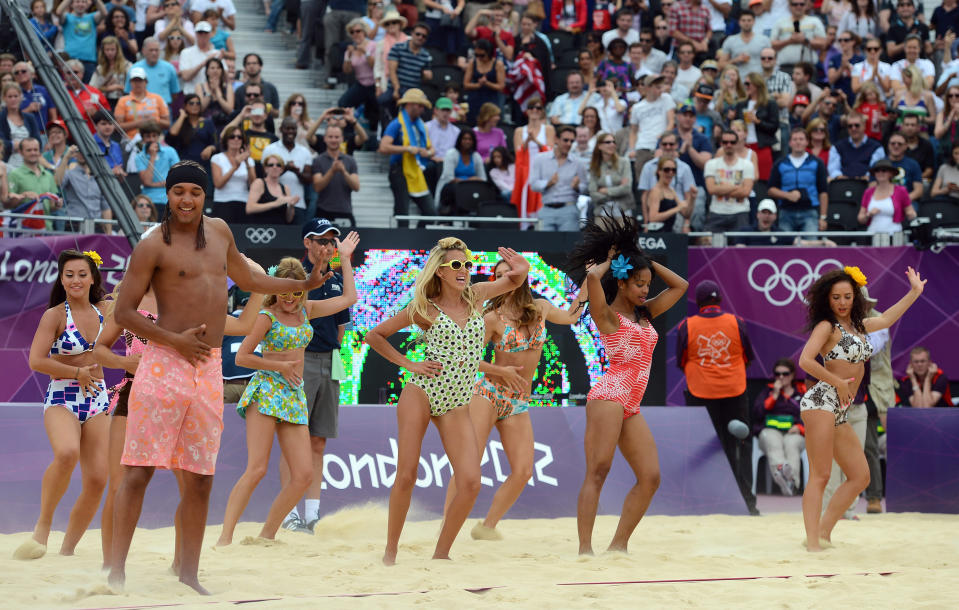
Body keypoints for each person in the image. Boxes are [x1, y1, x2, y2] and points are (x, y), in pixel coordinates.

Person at [107, 161, 332, 593]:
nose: (186, 199)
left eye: (194, 191)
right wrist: (174, 340)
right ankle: (115, 571)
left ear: (205, 196)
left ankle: (188, 573)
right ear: (167, 196)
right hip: (162, 363)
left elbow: (248, 277)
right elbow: (124, 312)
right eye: (178, 192)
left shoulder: (222, 232)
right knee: (138, 472)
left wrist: (304, 280)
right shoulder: (152, 245)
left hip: (208, 366)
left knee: (200, 477)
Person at [366, 239, 529, 564]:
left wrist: (521, 269)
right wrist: (408, 363)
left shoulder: (477, 296)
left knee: (470, 482)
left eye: (467, 265)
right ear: (440, 271)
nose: (464, 271)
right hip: (422, 392)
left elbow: (512, 280)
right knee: (407, 475)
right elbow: (374, 335)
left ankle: (441, 554)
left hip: (456, 399)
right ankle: (390, 551)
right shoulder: (425, 308)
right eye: (456, 265)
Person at [94, 274, 263, 570]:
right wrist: (124, 362)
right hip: (136, 391)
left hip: (184, 396)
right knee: (120, 484)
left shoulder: (190, 301)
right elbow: (100, 349)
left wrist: (259, 284)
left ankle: (179, 565)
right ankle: (111, 566)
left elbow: (244, 326)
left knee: (189, 485)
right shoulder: (130, 302)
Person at [218, 235, 359, 546]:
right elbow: (243, 357)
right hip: (267, 390)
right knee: (256, 468)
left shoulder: (308, 309)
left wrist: (345, 259)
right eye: (285, 291)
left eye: (297, 291)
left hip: (293, 394)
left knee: (303, 475)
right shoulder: (266, 316)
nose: (291, 298)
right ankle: (225, 538)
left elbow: (349, 299)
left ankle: (268, 534)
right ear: (276, 290)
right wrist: (280, 367)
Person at [444, 242, 588, 540]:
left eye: (508, 273)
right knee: (469, 464)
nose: (502, 279)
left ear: (521, 276)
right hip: (487, 394)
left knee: (523, 470)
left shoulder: (541, 309)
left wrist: (590, 280)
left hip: (518, 402)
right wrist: (499, 371)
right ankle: (448, 527)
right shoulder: (491, 318)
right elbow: (466, 359)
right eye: (497, 275)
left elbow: (574, 316)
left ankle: (487, 527)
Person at [568, 217, 687, 554]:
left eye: (647, 284)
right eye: (638, 283)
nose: (646, 290)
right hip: (608, 396)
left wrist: (645, 261)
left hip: (631, 403)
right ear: (621, 283)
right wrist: (612, 261)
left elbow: (681, 286)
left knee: (650, 477)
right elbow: (592, 277)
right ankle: (584, 550)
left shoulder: (645, 313)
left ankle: (618, 545)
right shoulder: (606, 316)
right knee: (598, 471)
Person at [798, 264, 926, 550]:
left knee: (860, 476)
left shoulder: (859, 327)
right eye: (836, 297)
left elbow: (890, 317)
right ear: (827, 300)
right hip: (822, 402)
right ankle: (812, 543)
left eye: (847, 296)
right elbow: (805, 361)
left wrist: (915, 292)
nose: (842, 303)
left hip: (840, 409)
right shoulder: (826, 326)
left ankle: (823, 532)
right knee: (821, 475)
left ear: (855, 297)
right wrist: (837, 382)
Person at [13, 250, 109, 561]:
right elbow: (36, 360)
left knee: (97, 479)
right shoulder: (54, 315)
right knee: (67, 453)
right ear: (61, 279)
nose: (76, 280)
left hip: (98, 398)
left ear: (92, 277)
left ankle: (67, 549)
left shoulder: (106, 310)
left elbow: (142, 326)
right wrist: (76, 371)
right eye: (69, 274)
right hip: (62, 396)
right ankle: (43, 524)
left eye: (82, 274)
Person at [278, 219, 350, 532]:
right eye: (321, 240)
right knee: (294, 439)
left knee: (318, 441)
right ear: (307, 243)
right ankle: (288, 513)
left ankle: (311, 514)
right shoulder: (294, 276)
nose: (327, 246)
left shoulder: (336, 278)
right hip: (300, 360)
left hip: (330, 359)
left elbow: (342, 326)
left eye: (332, 241)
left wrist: (335, 358)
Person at [677, 279, 759, 515]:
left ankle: (701, 505)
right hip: (734, 391)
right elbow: (748, 357)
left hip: (700, 392)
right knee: (740, 446)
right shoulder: (737, 322)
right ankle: (747, 505)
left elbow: (682, 362)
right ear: (720, 300)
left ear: (698, 301)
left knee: (702, 448)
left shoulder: (686, 325)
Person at [378, 88, 437, 229]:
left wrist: (427, 153)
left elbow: (432, 148)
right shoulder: (396, 124)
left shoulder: (421, 125)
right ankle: (402, 244)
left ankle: (418, 238)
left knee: (431, 212)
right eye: (420, 105)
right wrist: (407, 149)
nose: (422, 109)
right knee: (402, 213)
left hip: (416, 171)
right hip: (399, 171)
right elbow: (383, 147)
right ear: (410, 104)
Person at [752, 358, 807, 496]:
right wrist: (774, 395)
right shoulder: (768, 391)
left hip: (793, 432)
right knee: (772, 441)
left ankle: (792, 482)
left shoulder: (801, 392)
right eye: (778, 374)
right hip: (770, 430)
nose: (781, 377)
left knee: (792, 443)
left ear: (793, 375)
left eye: (785, 373)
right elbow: (757, 414)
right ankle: (783, 474)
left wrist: (800, 428)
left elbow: (811, 416)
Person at [767, 128, 830, 233]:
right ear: (790, 142)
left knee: (811, 245)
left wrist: (823, 217)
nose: (798, 142)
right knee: (786, 247)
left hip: (810, 212)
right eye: (795, 139)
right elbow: (770, 190)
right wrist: (787, 195)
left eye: (801, 139)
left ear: (807, 142)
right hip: (786, 212)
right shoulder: (780, 163)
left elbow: (823, 192)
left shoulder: (817, 162)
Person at [530, 126, 587, 231]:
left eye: (571, 141)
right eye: (566, 140)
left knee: (569, 246)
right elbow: (533, 184)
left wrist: (577, 187)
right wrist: (548, 183)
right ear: (556, 139)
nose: (569, 144)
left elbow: (585, 187)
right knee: (542, 246)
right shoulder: (540, 159)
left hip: (569, 209)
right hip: (546, 209)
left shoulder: (578, 163)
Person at [262, 117, 314, 223]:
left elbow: (308, 180)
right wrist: (285, 168)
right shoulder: (270, 149)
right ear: (281, 129)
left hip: (298, 204)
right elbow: (264, 176)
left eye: (293, 129)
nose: (290, 132)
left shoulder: (305, 151)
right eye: (287, 128)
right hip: (274, 203)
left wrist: (296, 171)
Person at [704, 129, 755, 232]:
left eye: (732, 142)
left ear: (737, 144)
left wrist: (720, 188)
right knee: (714, 246)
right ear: (721, 143)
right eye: (725, 142)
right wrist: (737, 187)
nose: (729, 145)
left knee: (739, 247)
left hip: (740, 212)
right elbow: (711, 189)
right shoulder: (711, 164)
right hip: (716, 212)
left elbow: (746, 192)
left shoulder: (747, 165)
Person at [55, 146, 112, 234]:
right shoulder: (70, 173)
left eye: (85, 151)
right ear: (75, 154)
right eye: (79, 151)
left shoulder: (100, 178)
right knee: (74, 248)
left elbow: (105, 207)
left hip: (96, 225)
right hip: (75, 223)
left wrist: (109, 232)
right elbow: (57, 182)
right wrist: (66, 158)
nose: (82, 154)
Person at [312, 125, 360, 226]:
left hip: (345, 211)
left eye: (337, 137)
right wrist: (332, 171)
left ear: (342, 139)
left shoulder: (350, 160)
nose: (334, 140)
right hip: (323, 211)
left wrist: (343, 172)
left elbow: (356, 187)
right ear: (325, 138)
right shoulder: (318, 160)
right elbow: (317, 187)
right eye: (330, 137)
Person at [339, 19, 379, 135]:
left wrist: (365, 52)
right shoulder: (351, 49)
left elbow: (374, 65)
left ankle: (374, 137)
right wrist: (349, 56)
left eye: (358, 31)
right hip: (361, 84)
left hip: (374, 84)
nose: (355, 34)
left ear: (364, 32)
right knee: (343, 103)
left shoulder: (373, 45)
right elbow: (346, 71)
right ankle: (348, 134)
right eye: (352, 32)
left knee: (374, 111)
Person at [436, 129, 488, 215]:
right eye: (464, 139)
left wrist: (472, 182)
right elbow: (449, 178)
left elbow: (483, 178)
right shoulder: (451, 154)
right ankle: (448, 215)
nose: (467, 141)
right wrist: (469, 181)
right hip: (452, 188)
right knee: (454, 189)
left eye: (470, 139)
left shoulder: (476, 156)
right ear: (460, 140)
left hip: (470, 189)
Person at [858, 158, 916, 234]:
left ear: (891, 173)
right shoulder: (868, 192)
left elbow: (911, 212)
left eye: (884, 170)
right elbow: (860, 219)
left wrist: (911, 214)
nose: (880, 173)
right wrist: (869, 214)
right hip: (872, 234)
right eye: (877, 170)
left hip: (894, 234)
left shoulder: (901, 191)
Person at [135, 121, 181, 216]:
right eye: (148, 136)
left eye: (154, 136)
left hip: (169, 199)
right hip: (149, 202)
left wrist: (154, 184)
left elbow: (178, 177)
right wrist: (152, 157)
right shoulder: (139, 157)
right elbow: (147, 181)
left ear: (158, 137)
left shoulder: (170, 151)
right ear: (143, 138)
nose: (151, 139)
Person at [56, 0, 108, 82]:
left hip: (89, 60)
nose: (80, 4)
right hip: (70, 59)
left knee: (88, 88)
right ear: (72, 4)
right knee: (71, 88)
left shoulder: (92, 17)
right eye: (77, 2)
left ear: (87, 4)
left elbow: (104, 13)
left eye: (83, 2)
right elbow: (58, 12)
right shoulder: (67, 17)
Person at [588, 131, 634, 222]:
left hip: (623, 211)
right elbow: (593, 193)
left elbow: (627, 188)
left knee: (624, 236)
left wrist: (605, 191)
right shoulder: (594, 166)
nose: (612, 144)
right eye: (608, 142)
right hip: (602, 212)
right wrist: (617, 191)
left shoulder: (624, 162)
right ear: (599, 146)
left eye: (614, 142)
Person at [210, 126, 254, 223]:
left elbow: (253, 186)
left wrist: (246, 162)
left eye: (239, 137)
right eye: (232, 136)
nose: (236, 139)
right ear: (226, 140)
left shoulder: (249, 160)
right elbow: (218, 184)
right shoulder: (217, 158)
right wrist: (235, 167)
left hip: (244, 203)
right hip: (223, 202)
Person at [770, 0, 827, 71]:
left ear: (806, 6)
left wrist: (805, 40)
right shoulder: (780, 22)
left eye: (801, 4)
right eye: (795, 4)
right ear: (790, 6)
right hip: (785, 67)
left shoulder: (815, 21)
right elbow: (772, 45)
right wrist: (789, 41)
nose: (798, 7)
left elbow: (823, 44)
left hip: (808, 68)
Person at [116, 67, 171, 140]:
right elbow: (118, 127)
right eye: (134, 81)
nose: (137, 83)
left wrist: (155, 120)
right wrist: (139, 123)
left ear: (146, 82)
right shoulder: (123, 100)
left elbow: (167, 124)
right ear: (130, 82)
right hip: (132, 140)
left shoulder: (158, 98)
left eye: (140, 80)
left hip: (155, 139)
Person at [167, 94, 218, 173]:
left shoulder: (207, 122)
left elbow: (216, 143)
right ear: (185, 106)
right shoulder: (180, 122)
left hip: (203, 166)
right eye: (191, 103)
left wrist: (211, 148)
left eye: (198, 103)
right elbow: (172, 133)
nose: (195, 105)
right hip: (184, 165)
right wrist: (182, 116)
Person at [828, 112, 884, 180]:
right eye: (850, 126)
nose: (853, 128)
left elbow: (876, 169)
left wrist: (864, 179)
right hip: (842, 184)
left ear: (864, 126)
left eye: (857, 125)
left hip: (867, 185)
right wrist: (842, 178)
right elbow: (833, 169)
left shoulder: (876, 147)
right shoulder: (837, 147)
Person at [245, 153, 298, 224]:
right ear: (265, 169)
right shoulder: (259, 183)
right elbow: (249, 208)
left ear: (282, 169)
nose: (274, 167)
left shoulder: (285, 188)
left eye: (278, 165)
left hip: (280, 229)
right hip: (261, 229)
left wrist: (291, 206)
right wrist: (275, 203)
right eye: (271, 165)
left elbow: (289, 219)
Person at [127, 38, 181, 106]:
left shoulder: (169, 68)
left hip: (163, 107)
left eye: (156, 50)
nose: (154, 53)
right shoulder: (134, 68)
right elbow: (128, 92)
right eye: (151, 50)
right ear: (143, 51)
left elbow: (175, 93)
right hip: (139, 108)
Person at [463, 39, 506, 126]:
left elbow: (501, 86)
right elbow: (466, 84)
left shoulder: (498, 64)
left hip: (491, 98)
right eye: (476, 55)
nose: (479, 57)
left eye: (482, 55)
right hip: (475, 98)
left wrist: (487, 83)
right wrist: (478, 85)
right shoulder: (473, 63)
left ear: (489, 53)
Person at [646, 157, 694, 233]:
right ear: (659, 171)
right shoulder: (656, 191)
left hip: (669, 233)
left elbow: (686, 214)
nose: (670, 173)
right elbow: (653, 218)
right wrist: (677, 209)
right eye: (667, 170)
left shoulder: (671, 190)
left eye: (673, 170)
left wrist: (692, 199)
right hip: (657, 235)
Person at [0, 84, 42, 169]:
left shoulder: (30, 117)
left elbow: (38, 141)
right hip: (9, 162)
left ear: (21, 97)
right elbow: (2, 143)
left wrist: (20, 145)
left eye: (16, 96)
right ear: (4, 98)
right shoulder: (1, 118)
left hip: (30, 160)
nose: (13, 99)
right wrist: (13, 144)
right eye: (10, 96)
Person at [720, 10, 771, 79]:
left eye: (749, 20)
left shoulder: (764, 40)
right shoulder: (730, 40)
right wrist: (736, 60)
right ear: (739, 22)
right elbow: (721, 64)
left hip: (759, 80)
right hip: (737, 82)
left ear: (754, 22)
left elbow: (772, 61)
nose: (746, 23)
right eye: (743, 20)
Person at [196, 58, 235, 130]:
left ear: (222, 71)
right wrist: (210, 92)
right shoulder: (200, 87)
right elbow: (199, 109)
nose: (215, 70)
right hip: (205, 122)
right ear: (207, 71)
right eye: (212, 68)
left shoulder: (228, 87)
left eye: (218, 68)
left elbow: (229, 110)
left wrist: (217, 90)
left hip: (223, 122)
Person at [886, 132, 924, 205]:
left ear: (906, 146)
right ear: (888, 145)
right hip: (884, 201)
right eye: (893, 143)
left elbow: (919, 191)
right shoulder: (879, 164)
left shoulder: (913, 164)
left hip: (907, 202)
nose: (896, 146)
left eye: (900, 144)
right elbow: (872, 187)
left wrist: (901, 200)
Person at [426, 97, 460, 163]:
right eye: (443, 110)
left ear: (451, 111)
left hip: (449, 163)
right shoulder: (426, 127)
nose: (445, 113)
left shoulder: (456, 131)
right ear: (435, 110)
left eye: (448, 110)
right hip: (429, 161)